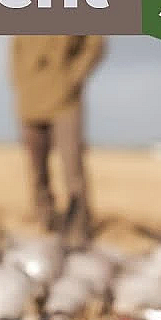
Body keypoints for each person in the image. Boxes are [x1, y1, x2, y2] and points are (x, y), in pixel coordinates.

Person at [11, 34, 106, 244]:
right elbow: (16, 52)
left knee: (72, 166)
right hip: (30, 99)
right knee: (37, 168)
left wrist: (71, 78)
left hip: (66, 102)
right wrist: (20, 82)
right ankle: (46, 220)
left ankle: (78, 227)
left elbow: (96, 44)